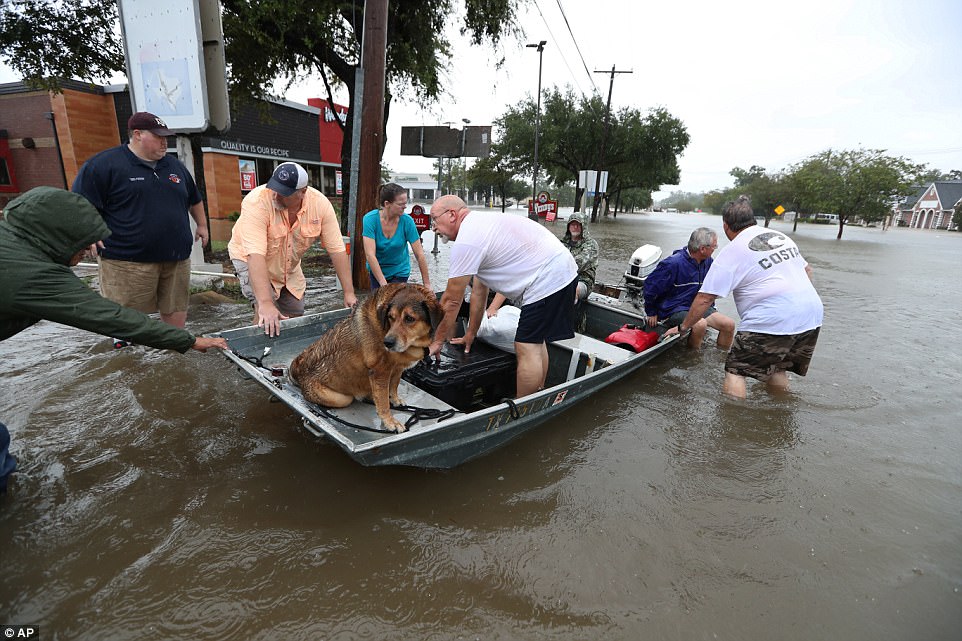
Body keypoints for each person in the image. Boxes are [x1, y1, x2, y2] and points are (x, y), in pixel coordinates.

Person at [0, 187, 228, 493]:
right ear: (57, 235)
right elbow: (111, 318)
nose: (88, 252)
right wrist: (188, 340)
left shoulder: (13, 239)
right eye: (82, 245)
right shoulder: (30, 273)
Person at [666, 196, 824, 398]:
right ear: (753, 219)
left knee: (736, 372)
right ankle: (780, 414)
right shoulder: (779, 237)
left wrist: (683, 327)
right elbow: (807, 271)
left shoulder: (732, 251)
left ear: (725, 225)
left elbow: (704, 298)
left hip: (771, 319)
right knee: (777, 368)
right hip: (811, 315)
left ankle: (733, 422)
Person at [71, 111, 208, 335]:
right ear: (137, 134)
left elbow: (194, 198)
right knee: (126, 318)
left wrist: (202, 225)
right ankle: (126, 356)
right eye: (158, 137)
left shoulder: (174, 166)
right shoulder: (104, 165)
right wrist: (87, 234)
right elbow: (79, 204)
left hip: (176, 258)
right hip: (126, 261)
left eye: (166, 137)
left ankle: (173, 348)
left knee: (175, 308)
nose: (165, 142)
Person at [428, 195, 578, 398]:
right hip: (562, 270)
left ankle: (523, 407)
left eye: (434, 219)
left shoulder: (467, 240)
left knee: (526, 345)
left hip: (548, 277)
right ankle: (539, 391)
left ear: (452, 214)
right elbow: (480, 292)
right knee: (535, 339)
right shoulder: (479, 226)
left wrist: (436, 341)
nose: (433, 227)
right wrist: (470, 334)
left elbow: (451, 300)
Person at [228, 162, 357, 337]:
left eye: (284, 193)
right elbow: (255, 254)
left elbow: (337, 250)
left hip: (288, 265)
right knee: (266, 312)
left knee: (295, 312)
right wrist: (265, 302)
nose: (276, 195)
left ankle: (289, 352)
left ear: (303, 192)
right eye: (275, 188)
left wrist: (348, 293)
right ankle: (258, 352)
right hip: (249, 257)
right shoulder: (256, 202)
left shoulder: (320, 205)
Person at [643, 227, 735, 350]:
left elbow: (709, 291)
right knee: (700, 324)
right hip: (673, 308)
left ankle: (722, 357)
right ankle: (692, 358)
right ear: (702, 249)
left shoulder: (708, 262)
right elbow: (650, 287)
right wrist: (651, 312)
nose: (715, 248)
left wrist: (711, 306)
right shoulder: (672, 264)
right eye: (714, 246)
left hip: (694, 307)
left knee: (729, 325)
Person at [362, 183, 431, 291]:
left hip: (400, 271)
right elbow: (370, 255)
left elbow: (419, 254)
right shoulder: (370, 219)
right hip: (377, 270)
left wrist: (427, 285)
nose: (405, 206)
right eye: (400, 204)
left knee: (395, 303)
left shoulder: (407, 221)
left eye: (405, 203)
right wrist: (383, 284)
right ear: (387, 204)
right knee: (379, 304)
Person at [560, 212, 599, 304]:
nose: (575, 227)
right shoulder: (562, 244)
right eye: (573, 224)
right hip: (561, 278)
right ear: (568, 226)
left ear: (583, 227)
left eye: (578, 225)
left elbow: (578, 264)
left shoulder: (591, 245)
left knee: (570, 291)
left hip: (583, 281)